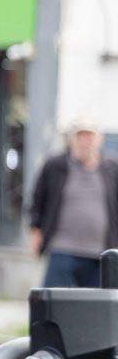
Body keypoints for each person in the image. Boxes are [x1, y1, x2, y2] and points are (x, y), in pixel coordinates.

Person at [28, 119, 118, 287]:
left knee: (99, 302)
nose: (85, 141)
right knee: (56, 300)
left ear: (100, 139)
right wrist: (35, 231)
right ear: (72, 139)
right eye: (80, 136)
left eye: (90, 136)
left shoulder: (112, 168)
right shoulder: (55, 165)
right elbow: (38, 200)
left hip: (100, 253)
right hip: (62, 248)